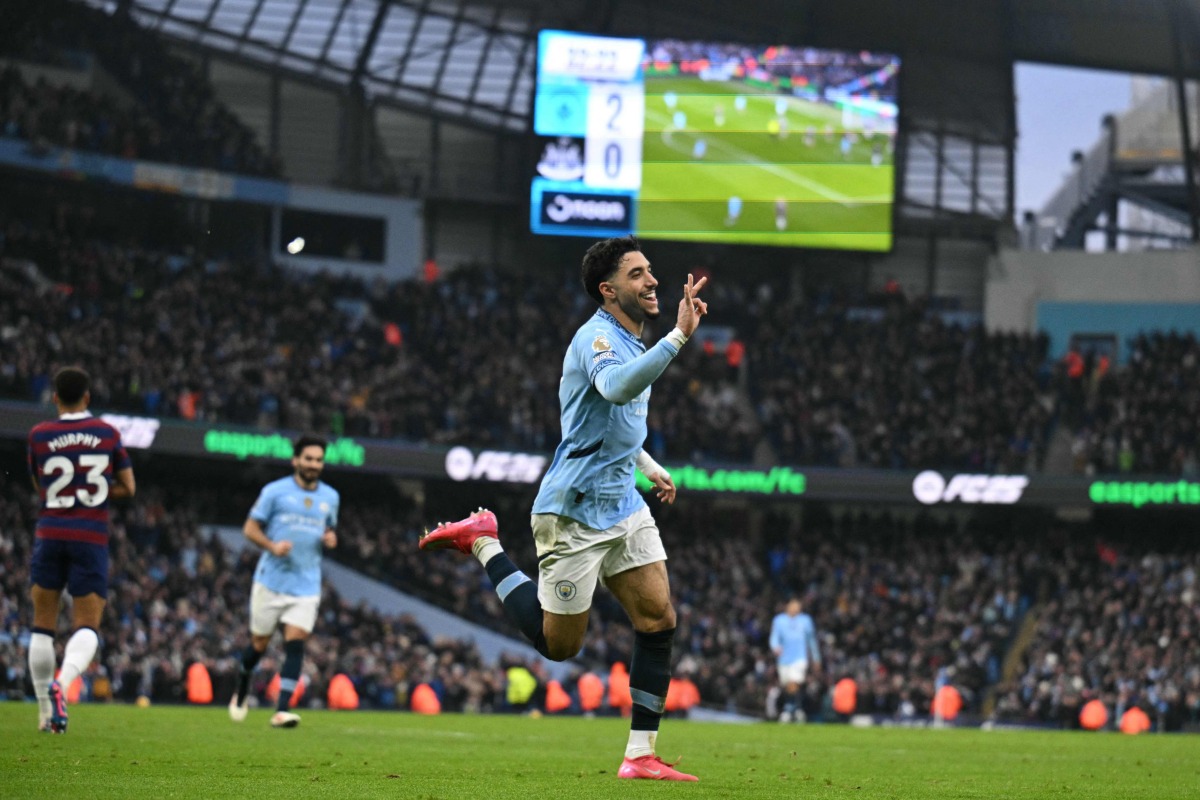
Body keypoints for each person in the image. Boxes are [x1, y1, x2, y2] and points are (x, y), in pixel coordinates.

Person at [421, 235, 707, 782]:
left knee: (658, 619)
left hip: (623, 502)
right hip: (572, 511)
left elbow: (611, 421)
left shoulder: (632, 340)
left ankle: (640, 755)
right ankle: (484, 541)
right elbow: (616, 389)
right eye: (637, 274)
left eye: (650, 270)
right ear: (608, 290)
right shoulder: (596, 338)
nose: (652, 281)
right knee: (558, 646)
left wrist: (648, 465)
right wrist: (678, 337)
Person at [27, 366, 136, 733]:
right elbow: (129, 487)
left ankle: (45, 713)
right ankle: (63, 681)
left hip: (50, 533)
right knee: (87, 624)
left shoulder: (39, 434)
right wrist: (97, 494)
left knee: (42, 625)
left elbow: (40, 485)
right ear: (87, 397)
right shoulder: (107, 433)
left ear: (55, 397)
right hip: (89, 537)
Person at [227, 434, 339, 728]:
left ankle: (282, 709)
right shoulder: (274, 492)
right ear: (296, 460)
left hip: (306, 583)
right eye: (309, 458)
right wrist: (272, 546)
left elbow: (329, 530)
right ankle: (243, 683)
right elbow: (250, 528)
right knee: (259, 644)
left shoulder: (330, 497)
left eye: (318, 460)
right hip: (271, 581)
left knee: (296, 642)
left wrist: (330, 539)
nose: (314, 464)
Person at [769, 597, 821, 722]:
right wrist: (775, 647)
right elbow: (774, 637)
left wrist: (816, 657)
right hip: (784, 659)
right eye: (793, 605)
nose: (796, 608)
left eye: (798, 606)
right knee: (788, 685)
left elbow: (811, 640)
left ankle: (788, 709)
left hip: (800, 658)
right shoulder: (779, 620)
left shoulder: (805, 620)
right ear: (787, 606)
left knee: (794, 682)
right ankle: (797, 708)